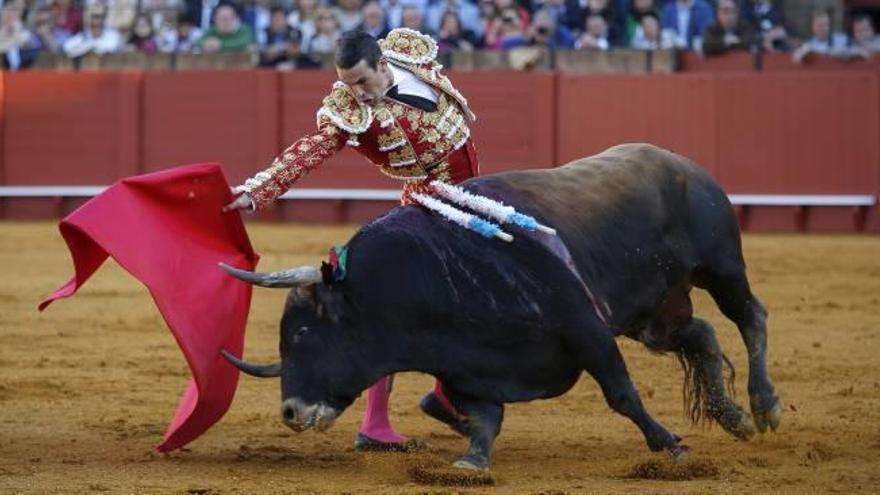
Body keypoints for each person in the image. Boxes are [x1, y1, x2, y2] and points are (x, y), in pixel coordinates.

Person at [225, 29, 479, 451]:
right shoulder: (349, 111)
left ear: (383, 64)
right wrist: (258, 191)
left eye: (362, 82)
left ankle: (443, 397)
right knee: (409, 307)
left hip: (473, 195)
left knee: (461, 301)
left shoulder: (406, 51)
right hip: (429, 206)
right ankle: (385, 420)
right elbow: (309, 149)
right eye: (347, 84)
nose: (356, 94)